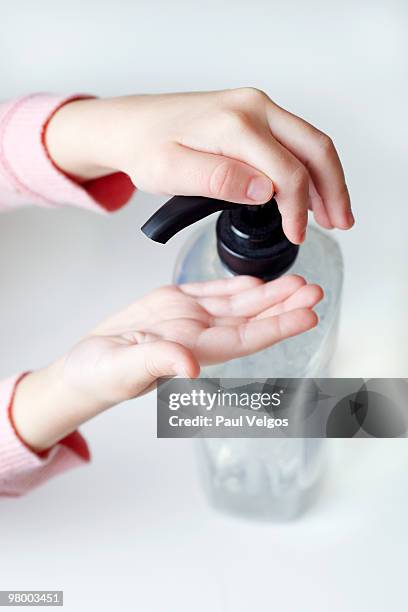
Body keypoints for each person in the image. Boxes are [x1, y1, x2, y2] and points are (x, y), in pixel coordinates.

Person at [0, 88, 353, 496]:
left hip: (295, 452)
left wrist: (96, 131)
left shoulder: (317, 263)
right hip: (236, 467)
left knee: (301, 411)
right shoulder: (199, 274)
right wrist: (64, 392)